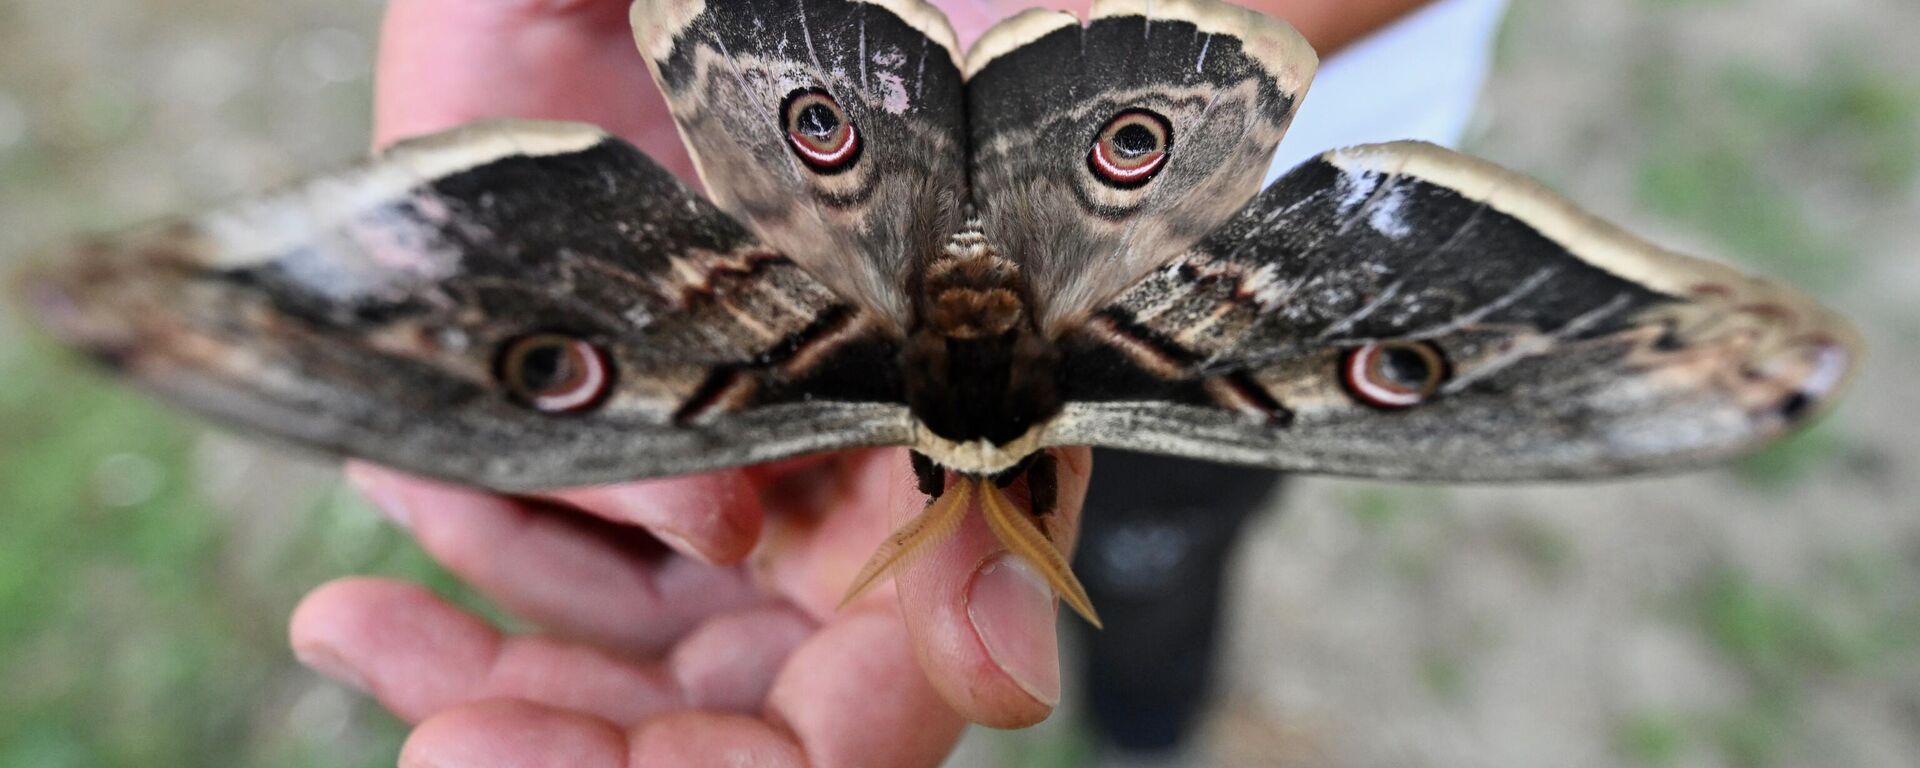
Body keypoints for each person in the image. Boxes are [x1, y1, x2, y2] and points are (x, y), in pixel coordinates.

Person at [287, 0, 1504, 764]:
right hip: (1139, 230)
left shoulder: (826, 366)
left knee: (1154, 547)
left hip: (1171, 182)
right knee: (1158, 528)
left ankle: (1146, 725)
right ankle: (1148, 719)